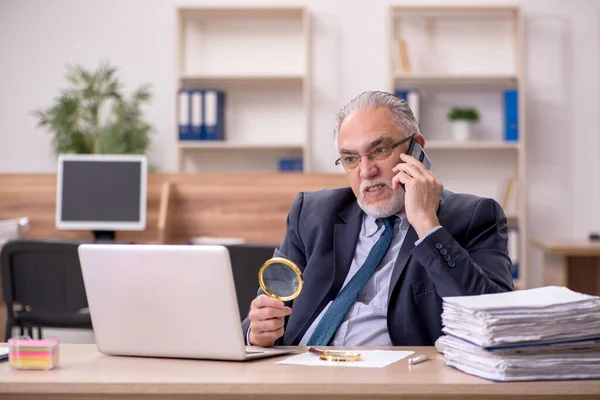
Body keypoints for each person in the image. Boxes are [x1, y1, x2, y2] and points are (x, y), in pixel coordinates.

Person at [241, 90, 513, 347]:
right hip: (299, 376)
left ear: (416, 149)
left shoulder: (474, 217)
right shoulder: (312, 214)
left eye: (380, 151)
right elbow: (266, 311)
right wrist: (258, 332)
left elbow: (494, 322)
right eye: (350, 159)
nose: (366, 171)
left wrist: (427, 225)